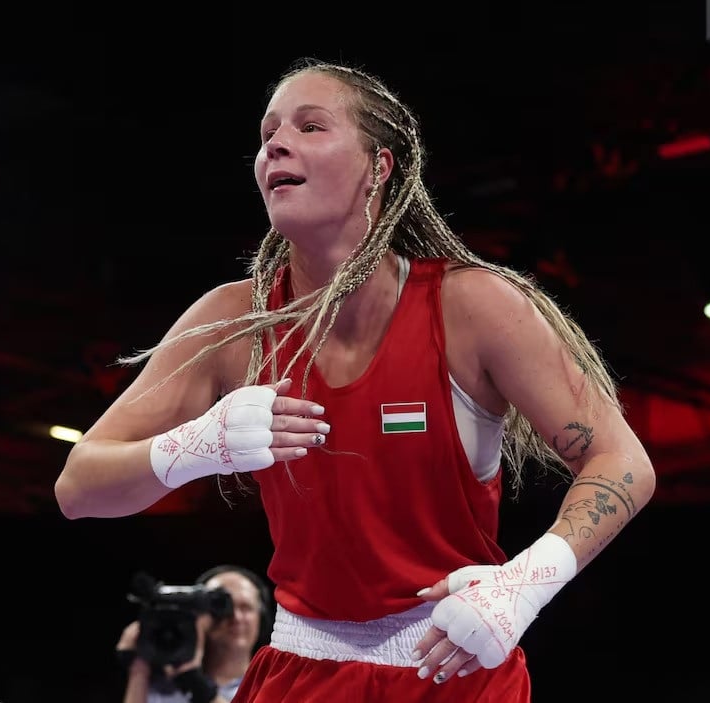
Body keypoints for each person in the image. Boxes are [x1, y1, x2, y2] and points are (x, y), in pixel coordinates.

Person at [55, 57, 656, 701]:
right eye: (267, 135)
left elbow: (622, 459)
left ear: (379, 168)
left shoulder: (474, 306)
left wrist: (529, 579)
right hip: (297, 671)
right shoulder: (231, 323)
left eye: (311, 126)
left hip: (453, 666)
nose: (275, 144)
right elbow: (78, 486)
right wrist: (192, 448)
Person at [116, 565, 273, 703]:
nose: (236, 617)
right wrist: (139, 670)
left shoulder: (273, 686)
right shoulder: (160, 686)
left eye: (246, 607)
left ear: (262, 619)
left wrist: (196, 685)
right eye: (222, 607)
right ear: (197, 617)